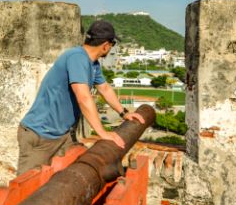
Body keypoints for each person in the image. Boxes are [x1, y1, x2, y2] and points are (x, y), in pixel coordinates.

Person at [17, 20, 146, 175]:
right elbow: (83, 97)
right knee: (27, 188)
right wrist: (102, 132)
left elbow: (104, 88)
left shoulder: (93, 64)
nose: (111, 48)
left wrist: (124, 113)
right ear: (106, 45)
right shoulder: (77, 57)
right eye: (112, 44)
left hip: (61, 135)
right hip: (41, 135)